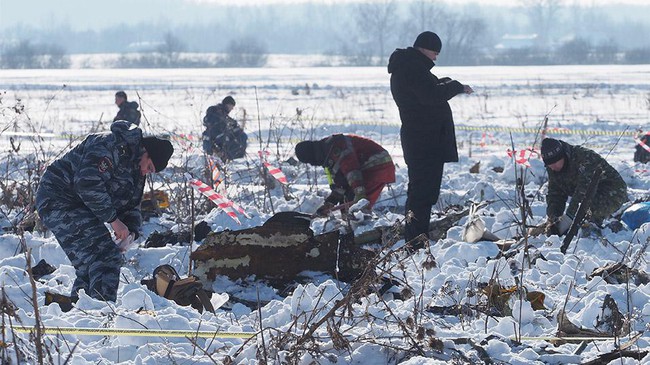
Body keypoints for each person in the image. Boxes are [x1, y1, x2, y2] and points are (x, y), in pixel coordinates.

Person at [36, 120, 173, 306]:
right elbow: (87, 184)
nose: (145, 172)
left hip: (81, 205)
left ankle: (81, 313)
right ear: (145, 152)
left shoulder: (136, 167)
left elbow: (131, 204)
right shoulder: (110, 145)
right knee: (106, 257)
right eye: (148, 166)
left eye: (150, 171)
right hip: (58, 197)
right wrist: (114, 221)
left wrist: (130, 233)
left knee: (91, 264)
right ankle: (102, 315)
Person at [387, 31, 474, 247]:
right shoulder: (412, 68)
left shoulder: (412, 67)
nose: (436, 57)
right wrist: (455, 87)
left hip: (423, 141)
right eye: (435, 52)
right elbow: (430, 95)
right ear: (424, 48)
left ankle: (417, 237)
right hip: (424, 143)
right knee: (422, 194)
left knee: (422, 192)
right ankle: (416, 241)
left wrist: (449, 84)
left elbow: (429, 89)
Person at [541, 137, 628, 234]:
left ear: (563, 156)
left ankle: (613, 230)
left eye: (555, 163)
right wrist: (554, 219)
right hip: (589, 195)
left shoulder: (584, 158)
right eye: (549, 165)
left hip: (612, 191)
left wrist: (566, 221)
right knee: (571, 223)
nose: (553, 167)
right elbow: (555, 193)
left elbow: (583, 193)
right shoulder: (553, 167)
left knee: (585, 217)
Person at [295, 134, 396, 216]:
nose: (312, 164)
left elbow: (352, 171)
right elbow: (342, 183)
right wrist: (330, 203)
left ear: (312, 157)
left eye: (310, 162)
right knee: (347, 208)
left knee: (358, 209)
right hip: (368, 168)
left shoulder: (337, 147)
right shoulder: (327, 153)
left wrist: (359, 193)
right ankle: (354, 232)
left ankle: (365, 235)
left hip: (377, 166)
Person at [202, 96, 248, 160]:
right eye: (231, 106)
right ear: (227, 104)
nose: (232, 109)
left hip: (217, 135)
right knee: (239, 137)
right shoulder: (217, 111)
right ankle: (230, 157)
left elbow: (231, 123)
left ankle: (230, 156)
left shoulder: (222, 113)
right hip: (216, 136)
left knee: (240, 135)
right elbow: (219, 124)